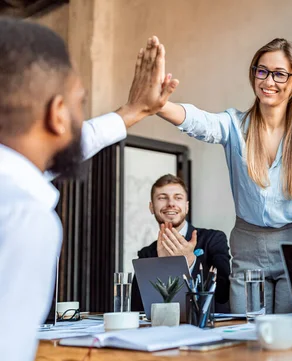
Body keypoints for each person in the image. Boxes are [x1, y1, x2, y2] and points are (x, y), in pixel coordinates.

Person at [0, 18, 175, 360]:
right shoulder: (23, 217)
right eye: (80, 102)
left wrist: (133, 111)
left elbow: (58, 151)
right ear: (59, 113)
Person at [136, 38, 292, 313]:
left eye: (279, 73)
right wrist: (159, 106)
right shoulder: (234, 125)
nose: (268, 81)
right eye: (261, 71)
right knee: (246, 340)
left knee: (289, 338)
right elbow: (200, 122)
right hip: (247, 248)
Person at [131, 174, 231, 312]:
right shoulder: (146, 254)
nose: (171, 203)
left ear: (186, 206)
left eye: (178, 198)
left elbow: (223, 293)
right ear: (151, 207)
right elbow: (138, 308)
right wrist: (161, 267)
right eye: (162, 197)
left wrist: (190, 261)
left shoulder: (213, 239)